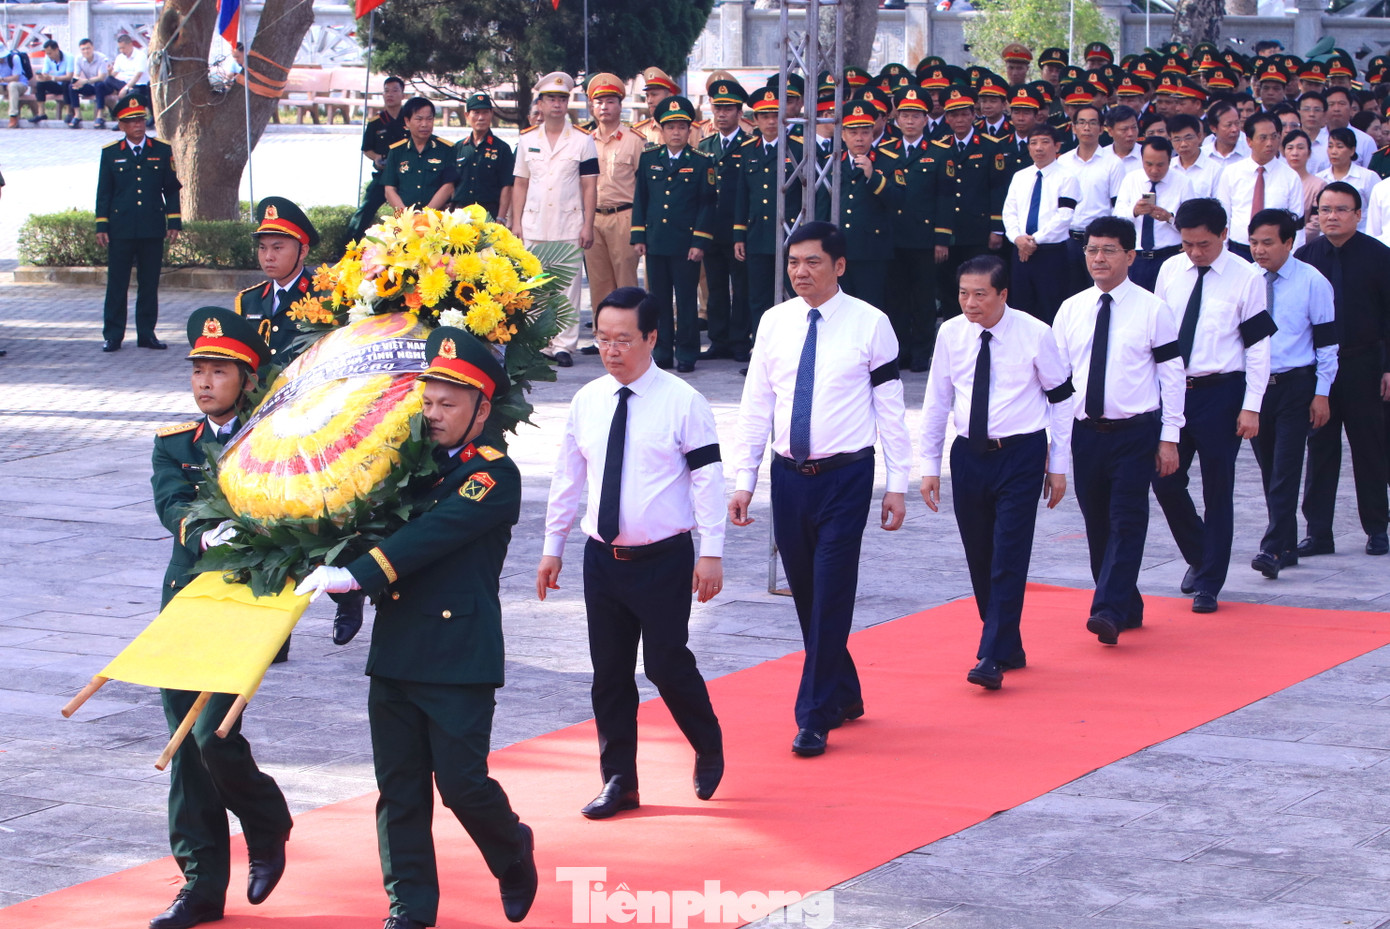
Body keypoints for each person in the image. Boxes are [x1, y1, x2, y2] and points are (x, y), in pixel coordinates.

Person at [295, 328, 538, 929]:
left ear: (482, 410)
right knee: (399, 791)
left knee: (462, 785)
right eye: (427, 402)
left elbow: (428, 536)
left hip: (458, 654)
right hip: (399, 646)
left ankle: (511, 849)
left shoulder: (494, 476)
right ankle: (409, 910)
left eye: (448, 404)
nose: (432, 415)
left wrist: (356, 576)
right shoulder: (401, 468)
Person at [537, 286, 726, 819]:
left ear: (651, 338)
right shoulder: (588, 400)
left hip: (664, 559)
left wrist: (710, 552)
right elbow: (567, 478)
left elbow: (709, 481)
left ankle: (707, 742)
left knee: (666, 664)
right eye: (603, 338)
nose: (612, 350)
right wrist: (554, 547)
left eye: (624, 339)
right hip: (603, 560)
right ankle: (620, 780)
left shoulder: (682, 402)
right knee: (610, 674)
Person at [728, 222, 912, 756]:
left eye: (812, 262)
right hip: (789, 477)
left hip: (846, 476)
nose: (800, 272)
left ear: (840, 266)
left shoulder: (871, 324)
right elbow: (756, 403)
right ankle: (846, 692)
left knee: (832, 591)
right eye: (793, 262)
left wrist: (895, 484)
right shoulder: (774, 322)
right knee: (808, 593)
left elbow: (891, 409)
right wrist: (744, 479)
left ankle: (813, 715)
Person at [149, 307, 292, 929]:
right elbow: (172, 503)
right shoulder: (175, 442)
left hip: (248, 601)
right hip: (188, 600)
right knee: (185, 748)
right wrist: (207, 531)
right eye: (198, 371)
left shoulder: (277, 437)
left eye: (219, 371)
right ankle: (200, 885)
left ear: (247, 375)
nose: (205, 382)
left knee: (211, 735)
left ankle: (264, 816)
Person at [919, 255, 1073, 690]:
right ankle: (1007, 643)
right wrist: (928, 466)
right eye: (963, 294)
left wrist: (1058, 465)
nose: (970, 303)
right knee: (980, 555)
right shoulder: (951, 333)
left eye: (980, 295)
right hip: (969, 455)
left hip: (1021, 453)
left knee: (1009, 552)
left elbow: (1062, 399)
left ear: (1003, 294)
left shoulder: (1035, 334)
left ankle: (990, 654)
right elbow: (937, 400)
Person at [1052, 216, 1185, 643]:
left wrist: (1170, 436)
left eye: (1109, 250)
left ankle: (1107, 608)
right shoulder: (1071, 309)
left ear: (1129, 255)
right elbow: (1055, 380)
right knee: (1097, 525)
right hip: (1086, 433)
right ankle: (1127, 603)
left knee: (1127, 520)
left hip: (1135, 431)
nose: (1098, 258)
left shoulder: (1152, 309)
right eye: (1092, 249)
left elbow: (1172, 376)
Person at [1152, 198, 1272, 613]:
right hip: (1174, 391)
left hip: (1221, 391)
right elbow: (1159, 336)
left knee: (1217, 487)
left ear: (1223, 234)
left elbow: (1258, 347)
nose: (1195, 253)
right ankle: (1202, 554)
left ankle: (1209, 582)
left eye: (1203, 244)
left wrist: (1252, 405)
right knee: (1164, 479)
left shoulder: (1246, 277)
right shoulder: (1170, 270)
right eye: (1187, 244)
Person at [1296, 182, 1390, 558]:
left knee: (1370, 448)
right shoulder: (1304, 257)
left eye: (1340, 210)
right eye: (1325, 209)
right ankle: (1318, 532)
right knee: (1319, 448)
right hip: (1319, 369)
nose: (1331, 217)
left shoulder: (1379, 257)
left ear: (1358, 214)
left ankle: (1377, 528)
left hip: (1365, 364)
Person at [1247, 208, 1338, 578]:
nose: (1259, 250)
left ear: (1289, 241)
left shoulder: (1312, 281)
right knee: (1269, 470)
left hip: (1296, 384)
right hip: (1256, 387)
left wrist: (1322, 392)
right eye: (1253, 242)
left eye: (1268, 243)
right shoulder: (1248, 280)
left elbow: (1328, 343)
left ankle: (1271, 549)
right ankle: (1286, 544)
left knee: (1286, 468)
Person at [511, 71, 598, 367]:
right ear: (541, 103)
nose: (557, 105)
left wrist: (588, 224)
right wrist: (516, 222)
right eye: (551, 99)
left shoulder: (583, 141)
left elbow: (589, 186)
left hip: (569, 224)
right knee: (535, 287)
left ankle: (563, 345)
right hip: (534, 224)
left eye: (562, 99)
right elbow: (520, 182)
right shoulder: (526, 140)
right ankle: (538, 341)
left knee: (568, 288)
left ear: (567, 103)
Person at [630, 95, 715, 373]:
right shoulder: (649, 158)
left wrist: (700, 241)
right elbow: (641, 198)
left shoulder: (702, 162)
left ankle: (688, 351)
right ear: (661, 130)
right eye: (670, 127)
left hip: (686, 243)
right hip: (656, 241)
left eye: (681, 127)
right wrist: (639, 236)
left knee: (687, 299)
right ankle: (663, 349)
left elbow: (706, 204)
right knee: (658, 299)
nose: (676, 132)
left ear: (689, 130)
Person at [95, 96, 182, 352]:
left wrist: (174, 220)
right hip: (121, 228)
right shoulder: (111, 153)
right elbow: (104, 192)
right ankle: (113, 335)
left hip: (151, 227)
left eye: (141, 119)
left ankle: (146, 333)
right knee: (117, 283)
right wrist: (102, 225)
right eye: (131, 121)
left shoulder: (161, 149)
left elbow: (171, 189)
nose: (138, 125)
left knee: (149, 282)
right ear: (121, 125)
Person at [817, 99, 905, 312]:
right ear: (843, 134)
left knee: (870, 308)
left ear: (872, 133)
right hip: (839, 249)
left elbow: (898, 201)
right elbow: (821, 207)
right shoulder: (831, 162)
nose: (859, 138)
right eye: (853, 132)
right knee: (836, 307)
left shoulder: (889, 160)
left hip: (872, 250)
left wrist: (872, 176)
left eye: (865, 132)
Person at [929, 87, 1007, 321]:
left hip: (978, 231)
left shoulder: (990, 146)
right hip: (949, 232)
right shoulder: (939, 147)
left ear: (974, 114)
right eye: (953, 115)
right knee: (950, 288)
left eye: (964, 114)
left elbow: (998, 189)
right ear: (947, 118)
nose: (959, 120)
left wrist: (996, 228)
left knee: (981, 284)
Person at [734, 85, 804, 344]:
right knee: (758, 296)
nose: (771, 121)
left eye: (776, 115)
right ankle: (760, 350)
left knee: (793, 293)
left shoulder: (798, 148)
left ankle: (793, 347)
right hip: (757, 234)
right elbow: (742, 195)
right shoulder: (748, 150)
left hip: (790, 234)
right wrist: (739, 235)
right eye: (764, 116)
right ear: (755, 119)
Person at [583, 73, 646, 352]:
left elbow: (643, 186)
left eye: (611, 101)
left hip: (624, 216)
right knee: (598, 281)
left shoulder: (634, 140)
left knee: (626, 281)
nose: (605, 107)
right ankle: (602, 337)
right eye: (599, 102)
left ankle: (631, 336)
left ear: (621, 106)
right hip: (592, 217)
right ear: (591, 107)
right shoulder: (584, 140)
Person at [695, 77, 752, 363]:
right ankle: (718, 340)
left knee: (741, 288)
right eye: (717, 108)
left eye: (728, 109)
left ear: (740, 113)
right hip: (712, 229)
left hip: (739, 229)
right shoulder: (705, 146)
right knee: (715, 287)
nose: (721, 114)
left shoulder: (750, 144)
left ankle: (740, 340)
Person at [887, 83, 941, 373]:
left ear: (925, 119)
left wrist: (942, 238)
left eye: (916, 115)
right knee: (895, 299)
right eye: (905, 114)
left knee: (923, 300)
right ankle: (901, 350)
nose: (909, 120)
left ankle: (921, 351)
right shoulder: (885, 151)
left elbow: (944, 199)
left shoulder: (938, 152)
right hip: (893, 237)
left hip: (924, 238)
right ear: (896, 118)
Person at [1002, 124, 1079, 322]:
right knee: (1021, 307)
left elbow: (1064, 216)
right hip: (1020, 251)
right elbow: (1009, 212)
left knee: (1051, 306)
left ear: (1057, 146)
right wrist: (1018, 239)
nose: (1039, 148)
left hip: (1051, 252)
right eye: (1033, 143)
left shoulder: (1067, 177)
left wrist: (1033, 240)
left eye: (1045, 142)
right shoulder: (1020, 177)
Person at [1059, 104, 1127, 296]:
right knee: (1069, 293)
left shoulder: (1113, 162)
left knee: (1100, 291)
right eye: (1081, 123)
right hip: (1068, 239)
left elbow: (1118, 206)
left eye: (1092, 123)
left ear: (1101, 128)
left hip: (1099, 240)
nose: (1087, 128)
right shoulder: (1063, 161)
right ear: (1074, 128)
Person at [1215, 112, 1303, 260]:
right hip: (1239, 250)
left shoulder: (1291, 177)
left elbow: (1298, 224)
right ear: (1249, 141)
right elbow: (1224, 216)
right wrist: (1223, 254)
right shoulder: (1231, 173)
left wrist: (1294, 258)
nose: (1270, 143)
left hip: (1275, 253)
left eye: (1274, 137)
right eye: (1263, 138)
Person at [1115, 136, 1190, 291]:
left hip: (1169, 256)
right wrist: (1134, 212)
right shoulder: (1131, 180)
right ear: (1141, 160)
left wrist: (1169, 218)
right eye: (1148, 164)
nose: (1154, 170)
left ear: (1170, 160)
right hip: (1137, 258)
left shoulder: (1183, 182)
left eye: (1160, 165)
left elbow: (1192, 223)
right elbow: (1117, 218)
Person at [344, 76, 406, 243]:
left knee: (407, 213)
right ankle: (347, 248)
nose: (390, 94)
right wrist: (377, 157)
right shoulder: (376, 122)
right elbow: (366, 149)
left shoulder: (409, 119)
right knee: (365, 210)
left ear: (402, 94)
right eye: (386, 91)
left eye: (395, 90)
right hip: (383, 175)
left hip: (405, 176)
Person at [381, 97, 458, 212]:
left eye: (429, 119)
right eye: (419, 119)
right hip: (403, 218)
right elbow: (389, 189)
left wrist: (425, 215)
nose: (424, 124)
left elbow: (448, 186)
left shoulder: (446, 149)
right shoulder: (396, 151)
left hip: (436, 217)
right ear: (407, 121)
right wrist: (406, 216)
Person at [449, 92, 514, 221]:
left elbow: (507, 187)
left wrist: (501, 218)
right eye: (476, 112)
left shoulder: (502, 148)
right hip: (460, 214)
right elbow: (450, 184)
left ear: (491, 114)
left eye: (485, 112)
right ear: (467, 115)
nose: (481, 117)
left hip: (489, 214)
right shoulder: (458, 148)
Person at [1316, 127, 1379, 230]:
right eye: (1330, 146)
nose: (1334, 151)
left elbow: (1376, 211)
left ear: (1352, 150)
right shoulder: (1319, 178)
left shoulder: (1368, 177)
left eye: (1339, 147)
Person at [1166, 114, 1221, 199]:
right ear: (1170, 140)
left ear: (1199, 137)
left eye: (1188, 138)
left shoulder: (1215, 169)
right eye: (1177, 139)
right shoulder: (1167, 168)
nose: (1183, 144)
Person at [106, 34, 150, 128]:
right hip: (125, 83)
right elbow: (114, 74)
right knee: (107, 81)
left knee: (130, 95)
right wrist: (109, 72)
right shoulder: (120, 57)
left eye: (123, 48)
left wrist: (125, 88)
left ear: (130, 45)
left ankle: (124, 121)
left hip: (139, 85)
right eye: (120, 48)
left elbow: (138, 75)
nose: (122, 51)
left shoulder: (140, 56)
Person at [68, 37, 112, 129]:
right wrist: (76, 82)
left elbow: (101, 77)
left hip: (105, 86)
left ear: (92, 48)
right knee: (72, 87)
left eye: (88, 48)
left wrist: (85, 81)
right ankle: (77, 115)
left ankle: (100, 115)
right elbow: (76, 74)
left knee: (99, 85)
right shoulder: (78, 58)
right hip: (91, 85)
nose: (86, 51)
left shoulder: (102, 58)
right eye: (83, 49)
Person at [30, 40, 73, 125]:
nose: (48, 55)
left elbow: (69, 76)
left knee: (66, 84)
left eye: (50, 53)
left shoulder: (69, 58)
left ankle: (69, 112)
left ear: (56, 49)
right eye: (47, 53)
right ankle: (41, 113)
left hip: (66, 84)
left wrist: (52, 78)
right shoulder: (47, 58)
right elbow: (45, 72)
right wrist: (42, 77)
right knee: (40, 84)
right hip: (56, 84)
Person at [0, 44, 31, 129]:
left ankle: (13, 115)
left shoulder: (14, 58)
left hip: (20, 85)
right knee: (10, 86)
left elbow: (16, 77)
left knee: (12, 85)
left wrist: (2, 79)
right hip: (3, 86)